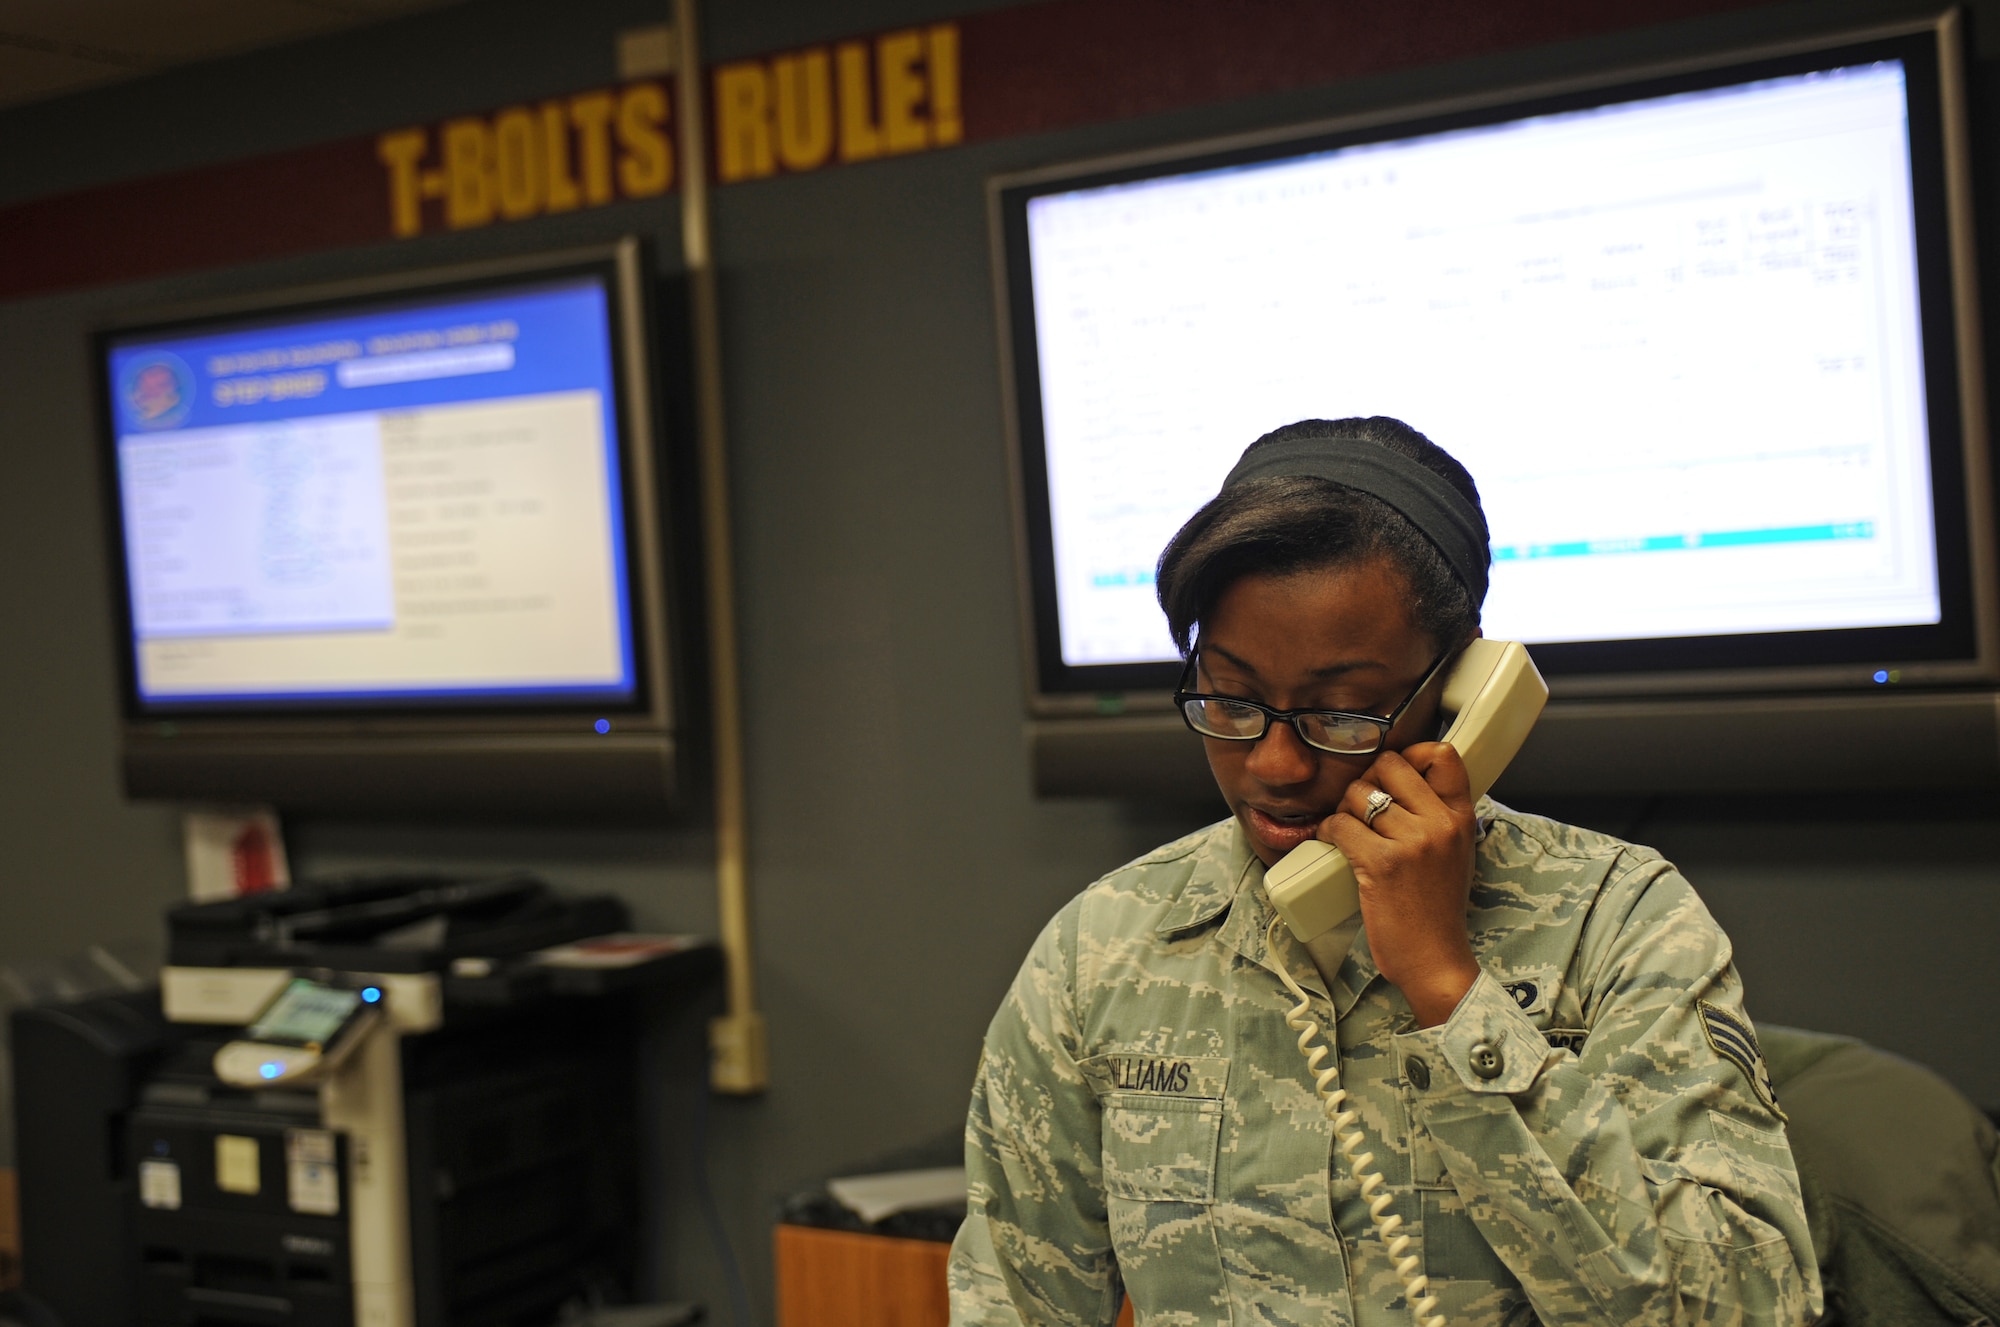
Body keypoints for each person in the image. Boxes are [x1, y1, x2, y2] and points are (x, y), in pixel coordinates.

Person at [948, 417, 1821, 1326]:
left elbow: (1747, 1306)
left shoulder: (1618, 919)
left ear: (1461, 691)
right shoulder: (1103, 951)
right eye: (1230, 698)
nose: (1275, 765)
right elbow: (1013, 1303)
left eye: (1342, 711)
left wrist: (1452, 992)